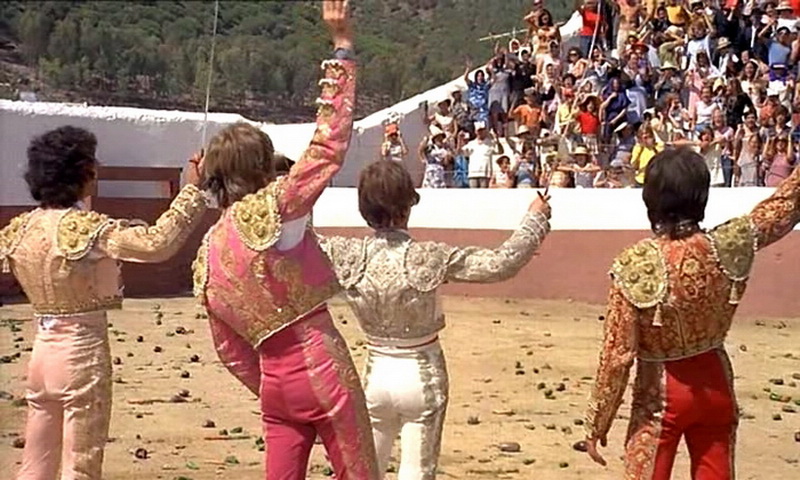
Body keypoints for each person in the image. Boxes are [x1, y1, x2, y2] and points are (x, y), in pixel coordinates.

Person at [191, 2, 379, 479]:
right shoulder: (275, 210)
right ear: (261, 168)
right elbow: (327, 148)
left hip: (274, 387)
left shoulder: (207, 255)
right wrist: (342, 47)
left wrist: (275, 385)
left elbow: (229, 351)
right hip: (321, 364)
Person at [321, 160, 551, 479]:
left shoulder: (344, 252)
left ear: (364, 209)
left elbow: (295, 236)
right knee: (416, 471)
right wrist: (535, 219)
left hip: (374, 376)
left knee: (364, 471)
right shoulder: (430, 255)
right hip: (421, 375)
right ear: (407, 206)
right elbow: (501, 263)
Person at [0, 127, 208, 480]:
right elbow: (157, 243)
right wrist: (192, 190)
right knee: (80, 464)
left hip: (41, 357)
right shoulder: (86, 228)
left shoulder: (19, 229)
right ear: (82, 173)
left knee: (35, 463)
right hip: (81, 356)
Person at [584, 147, 800, 479]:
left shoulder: (636, 263)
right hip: (716, 382)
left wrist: (597, 422)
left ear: (651, 199)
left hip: (660, 395)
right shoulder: (728, 243)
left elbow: (617, 355)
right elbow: (782, 207)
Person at [461, 121, 504, 188]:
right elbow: (461, 153)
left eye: (482, 130)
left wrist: (497, 140)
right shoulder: (471, 144)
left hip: (485, 174)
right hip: (473, 174)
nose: (480, 132)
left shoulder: (491, 143)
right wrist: (460, 140)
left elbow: (500, 151)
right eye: (479, 131)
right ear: (475, 132)